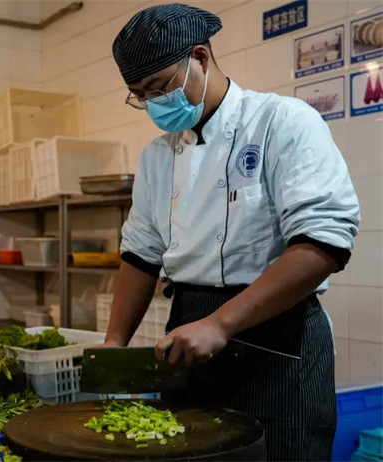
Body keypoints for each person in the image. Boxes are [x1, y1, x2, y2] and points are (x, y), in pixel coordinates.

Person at [104, 3, 360, 461]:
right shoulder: (157, 156)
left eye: (159, 87)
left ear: (200, 58)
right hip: (188, 336)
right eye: (140, 95)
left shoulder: (282, 121)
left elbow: (323, 242)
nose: (154, 104)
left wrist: (221, 324)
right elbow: (141, 254)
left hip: (276, 339)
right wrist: (112, 346)